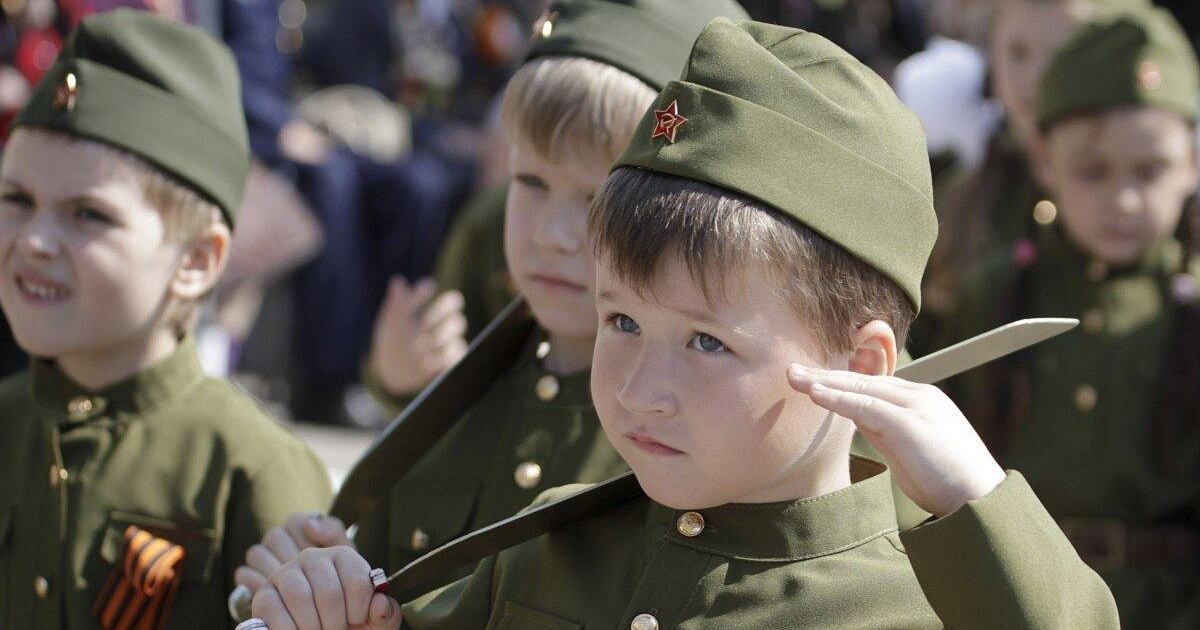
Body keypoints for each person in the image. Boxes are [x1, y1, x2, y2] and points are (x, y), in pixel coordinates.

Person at [247, 17, 1120, 630]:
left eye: (707, 341)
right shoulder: (547, 547)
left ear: (861, 363)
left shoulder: (919, 604)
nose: (637, 389)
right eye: (621, 319)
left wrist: (977, 502)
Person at [232, 0, 750, 607]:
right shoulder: (466, 398)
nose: (551, 235)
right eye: (529, 182)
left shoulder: (687, 436)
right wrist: (311, 584)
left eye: (599, 200)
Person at [0, 10, 332, 629]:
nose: (35, 241)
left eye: (88, 215)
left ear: (197, 260)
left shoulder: (250, 468)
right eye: (16, 199)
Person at [948, 8, 1200, 627]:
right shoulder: (993, 295)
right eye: (1092, 171)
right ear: (1043, 162)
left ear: (1192, 163)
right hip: (1010, 595)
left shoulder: (1190, 312)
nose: (1124, 200)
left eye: (1152, 170)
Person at [911, 0, 1147, 354]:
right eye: (1018, 53)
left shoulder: (1146, 197)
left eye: (1065, 51)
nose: (1036, 78)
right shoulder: (954, 196)